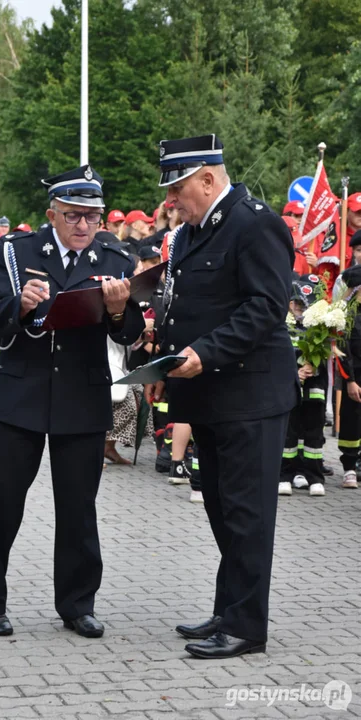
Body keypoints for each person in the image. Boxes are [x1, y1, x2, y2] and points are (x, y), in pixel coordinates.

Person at [0, 165, 144, 638]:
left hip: (81, 396)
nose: (84, 225)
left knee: (78, 509)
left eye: (92, 216)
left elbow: (131, 334)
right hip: (19, 394)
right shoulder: (16, 250)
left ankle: (77, 604)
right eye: (73, 216)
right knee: (0, 503)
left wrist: (116, 311)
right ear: (52, 215)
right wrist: (20, 304)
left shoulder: (115, 256)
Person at [145, 134, 298, 659]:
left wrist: (203, 354)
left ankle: (247, 628)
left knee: (246, 514)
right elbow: (183, 305)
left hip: (250, 395)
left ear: (208, 179)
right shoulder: (190, 232)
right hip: (208, 396)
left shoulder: (256, 223)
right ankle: (228, 608)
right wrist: (165, 363)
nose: (170, 199)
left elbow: (264, 308)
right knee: (218, 508)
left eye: (178, 187)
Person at [279, 275, 327, 497]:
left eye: (302, 303)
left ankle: (314, 477)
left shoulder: (320, 327)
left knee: (313, 434)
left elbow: (327, 353)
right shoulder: (282, 326)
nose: (298, 307)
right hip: (290, 387)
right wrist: (294, 371)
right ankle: (285, 476)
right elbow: (277, 354)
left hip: (314, 389)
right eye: (295, 302)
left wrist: (313, 365)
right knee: (289, 433)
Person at [337, 236, 361, 489]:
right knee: (352, 420)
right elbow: (343, 349)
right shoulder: (347, 313)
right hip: (355, 377)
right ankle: (348, 467)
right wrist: (351, 381)